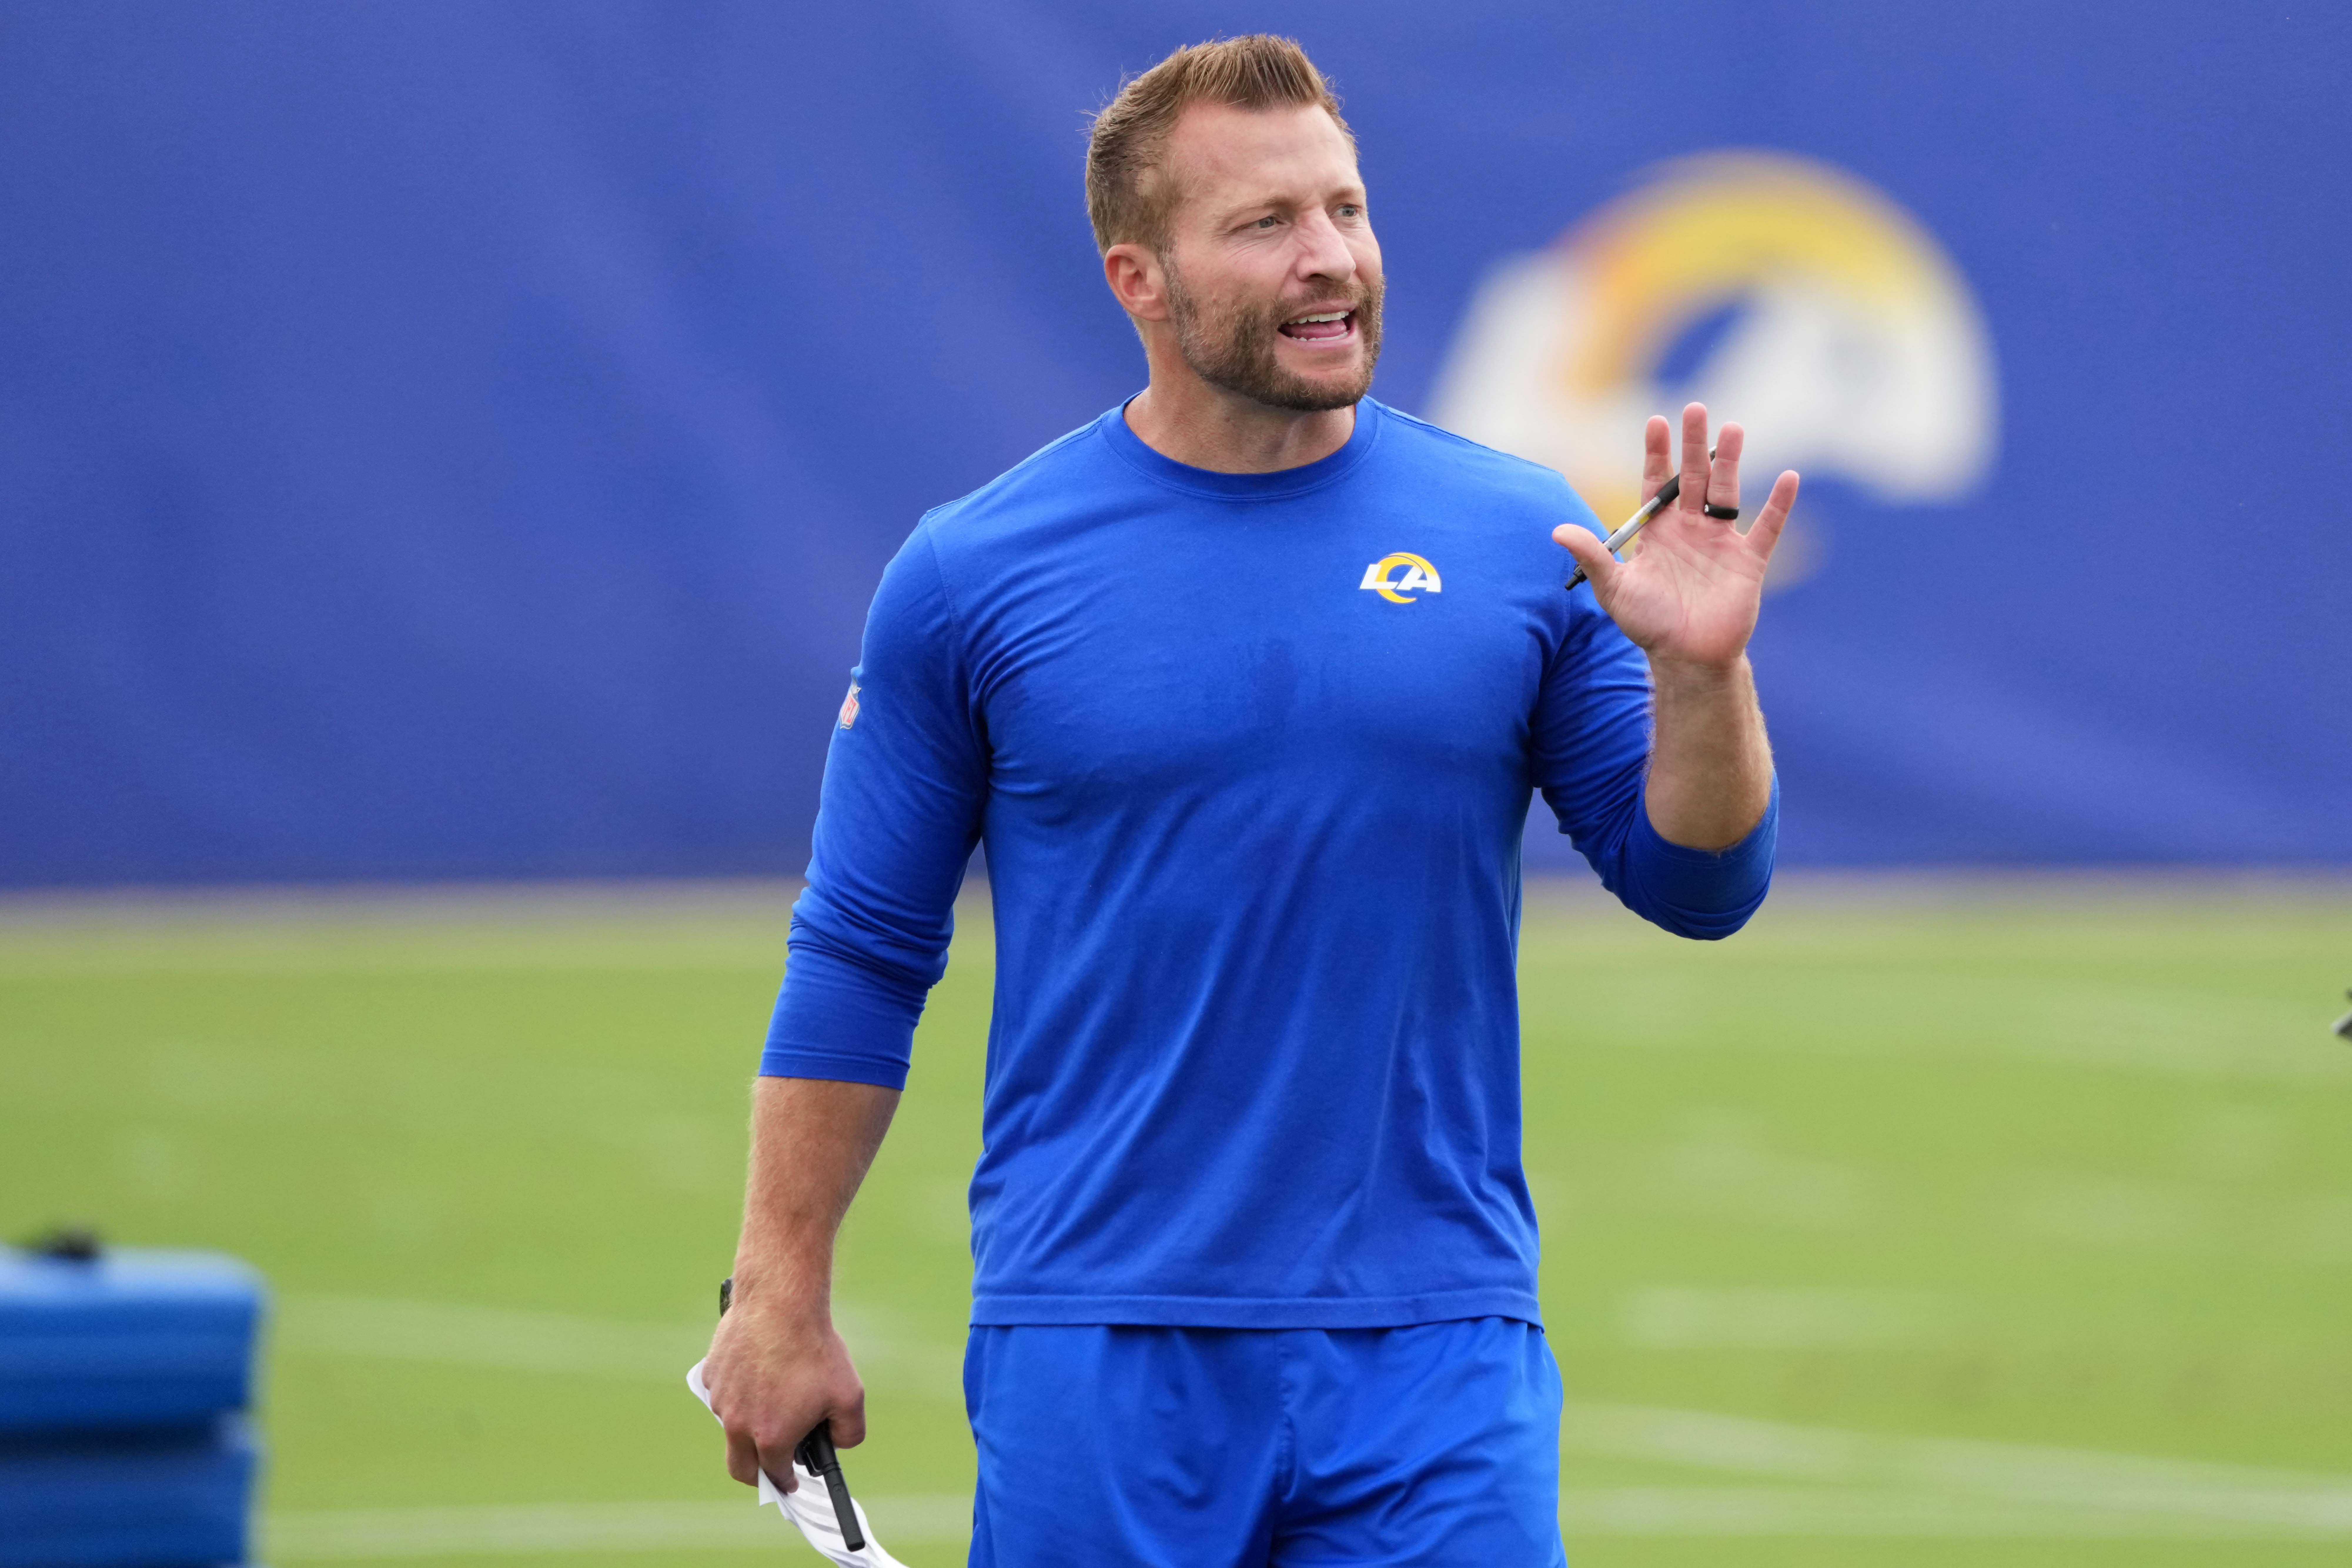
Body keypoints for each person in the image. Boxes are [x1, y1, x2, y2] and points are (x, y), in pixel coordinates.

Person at [703, 33, 1798, 1567]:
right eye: (1266, 225)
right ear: (1136, 281)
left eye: (1344, 209)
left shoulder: (1519, 537)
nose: (1328, 258)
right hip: (1100, 1338)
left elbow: (1700, 884)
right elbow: (862, 953)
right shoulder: (971, 574)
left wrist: (1700, 678)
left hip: (1437, 1341)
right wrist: (777, 1287)